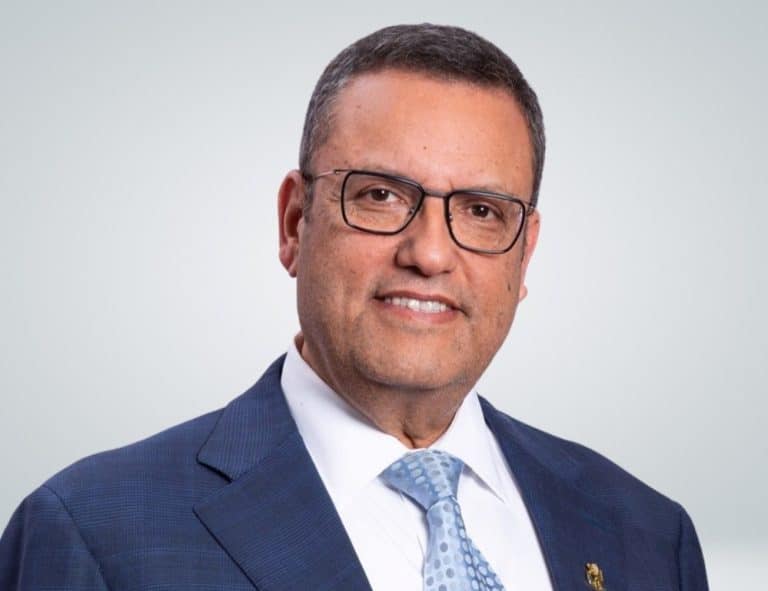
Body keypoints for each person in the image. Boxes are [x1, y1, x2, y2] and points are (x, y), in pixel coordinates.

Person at [0, 23, 708, 590]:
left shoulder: (647, 535)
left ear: (524, 256)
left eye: (481, 210)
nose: (429, 253)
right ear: (294, 223)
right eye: (381, 196)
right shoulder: (94, 534)